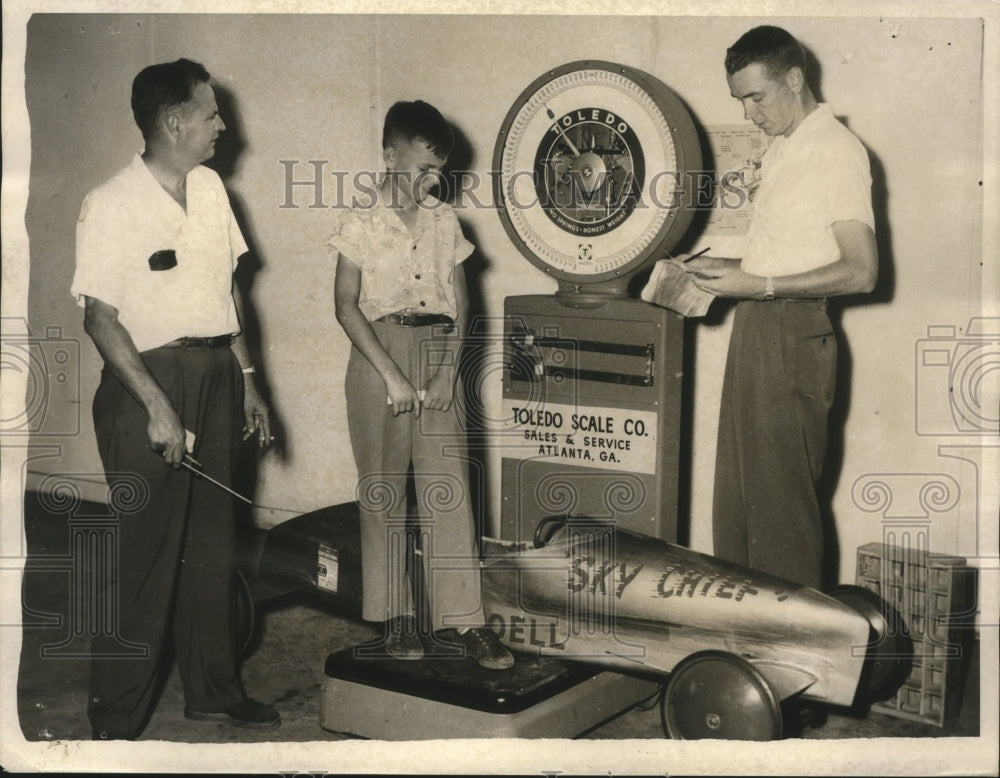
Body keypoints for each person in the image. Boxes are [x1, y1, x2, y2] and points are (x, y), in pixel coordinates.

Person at [71, 58, 279, 739]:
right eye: (212, 112)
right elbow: (100, 317)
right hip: (148, 382)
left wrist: (248, 381)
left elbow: (229, 292)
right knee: (146, 559)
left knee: (213, 549)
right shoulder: (112, 201)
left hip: (217, 371)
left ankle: (213, 692)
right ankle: (116, 719)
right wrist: (159, 406)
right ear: (173, 120)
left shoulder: (212, 188)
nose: (224, 124)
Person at [679, 26, 878, 588]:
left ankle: (796, 669)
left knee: (781, 522)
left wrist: (758, 284)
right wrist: (720, 270)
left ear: (794, 79)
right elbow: (783, 251)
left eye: (756, 97)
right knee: (739, 511)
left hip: (792, 334)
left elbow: (861, 271)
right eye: (740, 100)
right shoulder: (787, 149)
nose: (749, 114)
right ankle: (748, 658)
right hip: (758, 328)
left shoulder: (836, 150)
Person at [330, 100, 513, 669]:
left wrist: (442, 372)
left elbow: (463, 303)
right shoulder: (359, 221)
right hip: (376, 354)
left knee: (448, 490)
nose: (430, 181)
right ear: (389, 156)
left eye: (439, 171)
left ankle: (465, 620)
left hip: (437, 353)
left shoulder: (444, 221)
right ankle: (397, 618)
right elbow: (344, 306)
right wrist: (389, 374)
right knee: (385, 491)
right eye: (420, 168)